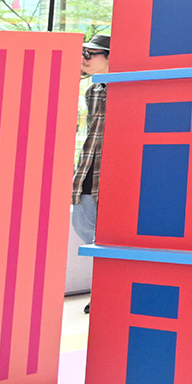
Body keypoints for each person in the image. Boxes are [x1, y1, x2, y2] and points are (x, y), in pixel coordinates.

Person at [71, 34, 110, 248]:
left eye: (90, 54)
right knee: (82, 222)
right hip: (90, 164)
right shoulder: (93, 91)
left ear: (110, 57)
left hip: (114, 169)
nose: (84, 58)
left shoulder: (128, 89)